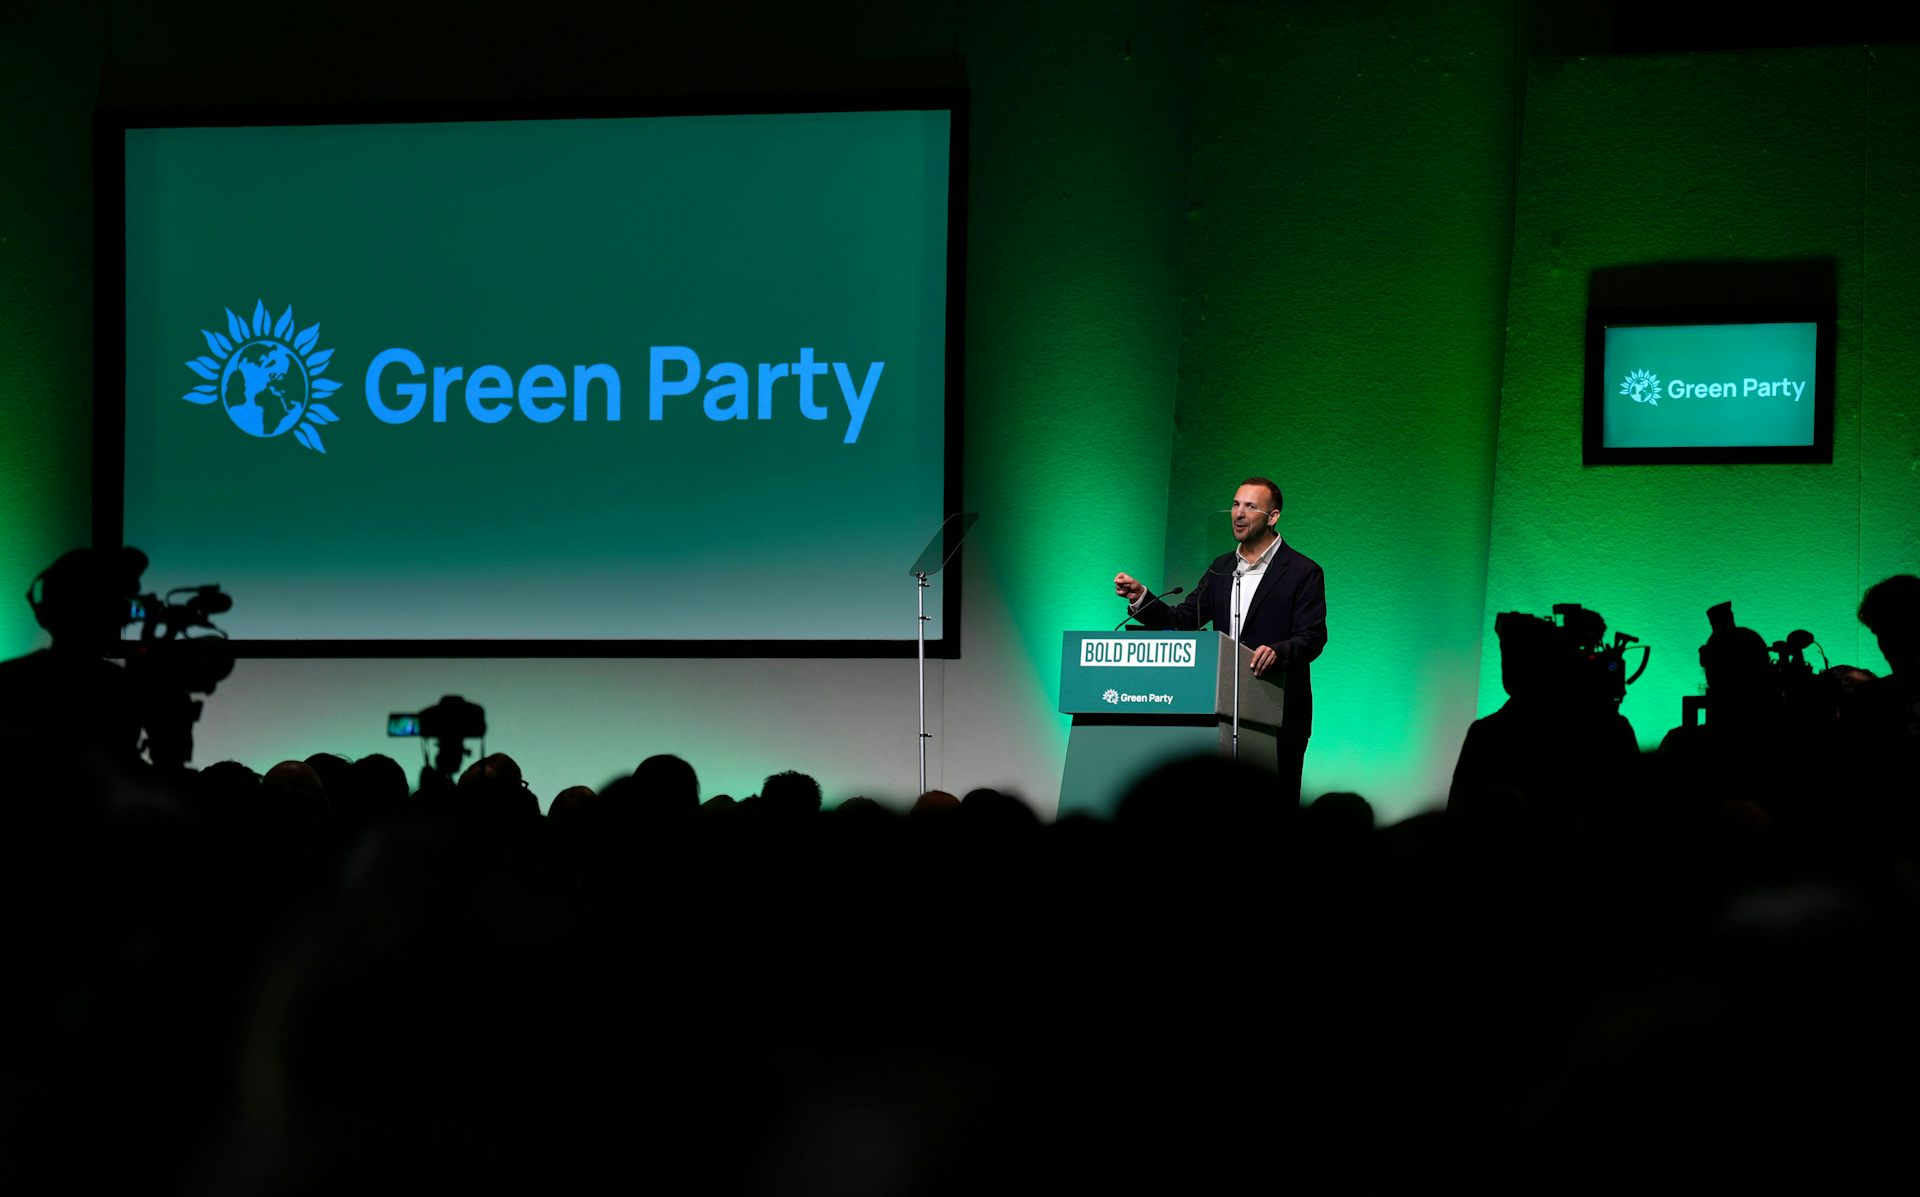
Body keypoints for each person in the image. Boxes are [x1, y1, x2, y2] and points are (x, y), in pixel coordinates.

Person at [1114, 477, 1327, 802]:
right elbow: (1184, 620)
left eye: (1250, 506)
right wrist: (1142, 596)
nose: (1238, 514)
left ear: (1273, 517)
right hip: (1222, 710)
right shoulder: (1221, 568)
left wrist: (1279, 652)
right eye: (1235, 504)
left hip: (1278, 709)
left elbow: (1312, 637)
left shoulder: (1302, 571)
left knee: (1273, 813)